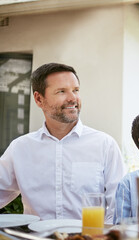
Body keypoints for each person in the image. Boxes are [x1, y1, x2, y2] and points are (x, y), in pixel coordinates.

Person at [0, 63, 127, 223]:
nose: (73, 98)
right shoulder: (20, 149)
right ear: (39, 99)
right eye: (61, 91)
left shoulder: (105, 145)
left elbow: (120, 208)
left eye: (76, 90)